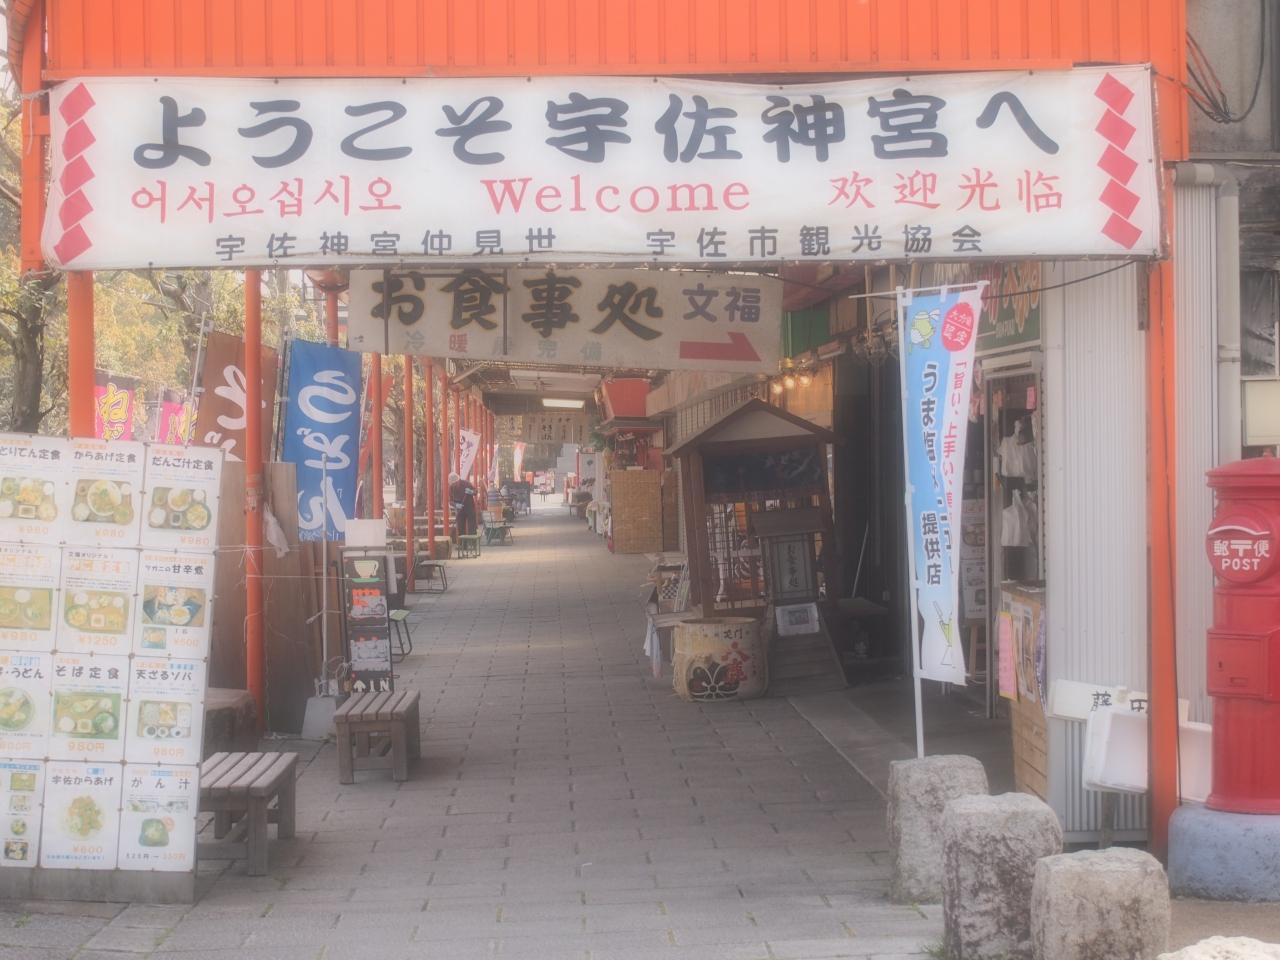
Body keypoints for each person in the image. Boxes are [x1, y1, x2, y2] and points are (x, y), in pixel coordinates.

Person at [449, 472, 477, 536]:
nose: (454, 485)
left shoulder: (466, 483)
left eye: (455, 483)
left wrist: (471, 492)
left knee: (472, 527)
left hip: (469, 507)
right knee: (460, 527)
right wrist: (456, 505)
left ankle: (472, 543)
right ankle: (463, 544)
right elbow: (450, 501)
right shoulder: (451, 488)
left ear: (458, 480)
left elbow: (475, 491)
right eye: (452, 484)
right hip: (460, 509)